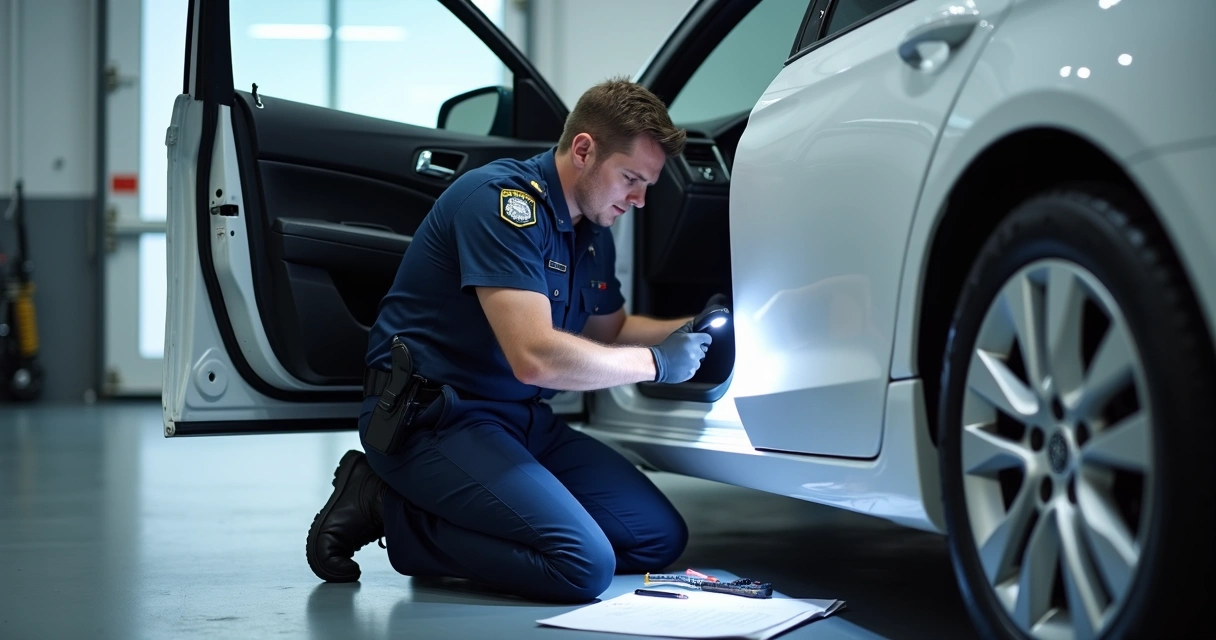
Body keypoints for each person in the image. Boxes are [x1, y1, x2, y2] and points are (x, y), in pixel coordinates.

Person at [305, 78, 726, 604]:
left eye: (646, 185)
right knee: (582, 567)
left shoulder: (591, 227)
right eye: (630, 179)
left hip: (519, 421)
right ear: (583, 150)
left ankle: (463, 511)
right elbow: (534, 357)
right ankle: (386, 505)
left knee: (657, 537)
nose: (639, 200)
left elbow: (611, 330)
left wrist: (702, 325)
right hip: (433, 420)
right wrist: (658, 364)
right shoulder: (502, 204)